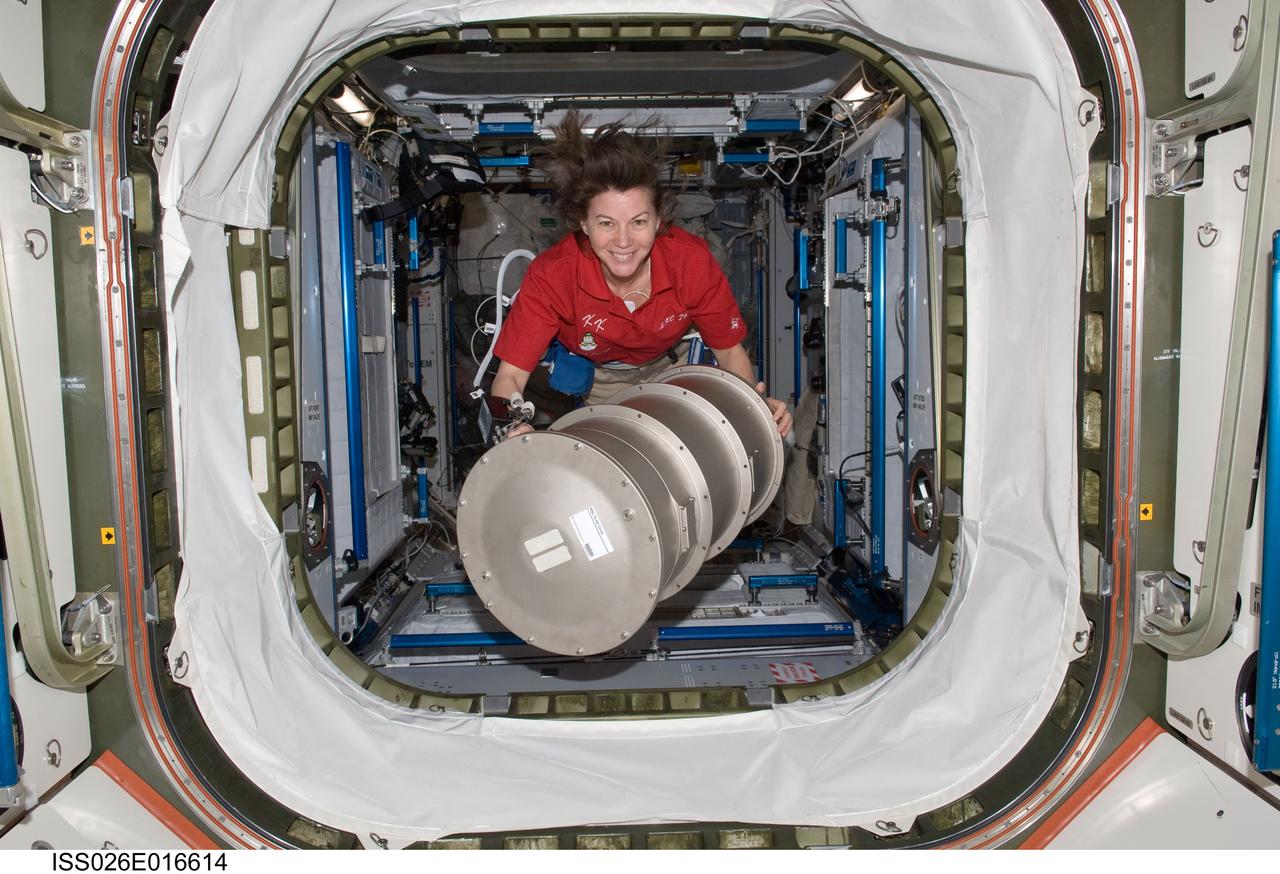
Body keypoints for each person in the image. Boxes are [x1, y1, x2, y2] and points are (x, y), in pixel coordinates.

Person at [491, 111, 792, 440]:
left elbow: (730, 352)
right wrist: (512, 423)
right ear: (584, 223)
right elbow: (509, 377)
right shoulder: (553, 276)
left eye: (638, 222)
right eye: (606, 223)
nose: (623, 242)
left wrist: (753, 407)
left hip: (672, 364)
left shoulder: (690, 261)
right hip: (600, 379)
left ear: (659, 220)